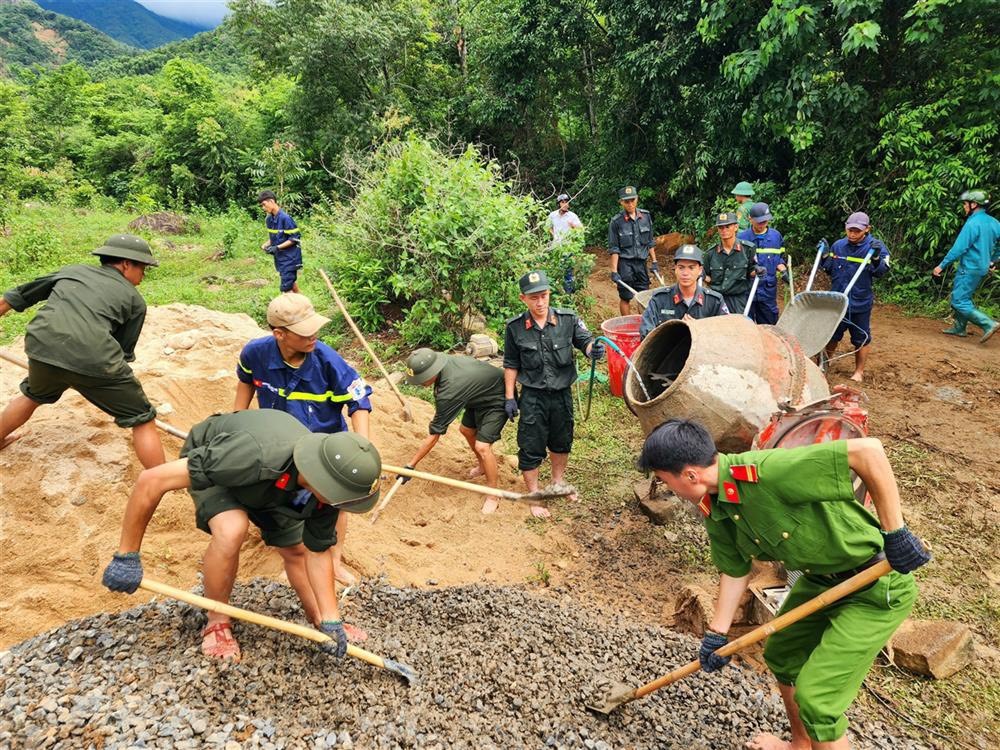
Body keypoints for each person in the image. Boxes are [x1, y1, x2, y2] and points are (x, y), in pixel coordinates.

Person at [638, 419, 929, 750]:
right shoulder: (716, 506)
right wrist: (716, 634)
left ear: (690, 475)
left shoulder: (766, 471)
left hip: (874, 585)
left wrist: (896, 532)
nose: (669, 489)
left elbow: (868, 451)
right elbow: (735, 570)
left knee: (818, 700)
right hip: (822, 580)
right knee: (783, 653)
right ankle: (800, 745)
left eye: (665, 481)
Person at [102, 409, 382, 662]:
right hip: (224, 470)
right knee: (232, 528)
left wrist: (330, 621)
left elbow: (316, 553)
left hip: (276, 486)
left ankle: (318, 620)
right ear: (325, 483)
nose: (343, 507)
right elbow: (152, 480)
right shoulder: (250, 454)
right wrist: (127, 554)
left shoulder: (328, 496)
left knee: (296, 549)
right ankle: (217, 620)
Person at [234, 292, 373, 589]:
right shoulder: (255, 354)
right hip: (278, 444)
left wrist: (363, 446)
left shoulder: (327, 361)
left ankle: (333, 561)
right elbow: (245, 382)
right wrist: (238, 419)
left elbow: (359, 401)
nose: (314, 336)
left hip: (324, 446)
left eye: (315, 328)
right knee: (285, 497)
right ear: (279, 334)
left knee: (333, 502)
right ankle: (295, 556)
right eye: (305, 332)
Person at [0, 234, 164, 467]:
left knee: (32, 395)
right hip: (94, 358)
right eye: (143, 269)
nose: (143, 276)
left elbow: (12, 298)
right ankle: (161, 478)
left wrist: (69, 373)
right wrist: (91, 381)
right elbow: (121, 355)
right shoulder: (135, 301)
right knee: (143, 420)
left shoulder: (72, 271)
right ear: (127, 264)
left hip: (41, 345)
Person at [503, 270, 603, 517]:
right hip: (533, 397)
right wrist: (509, 397)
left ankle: (558, 483)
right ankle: (535, 496)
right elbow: (511, 363)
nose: (540, 302)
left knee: (561, 439)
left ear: (549, 295)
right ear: (523, 298)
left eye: (544, 296)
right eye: (534, 298)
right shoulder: (515, 328)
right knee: (530, 445)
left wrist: (593, 349)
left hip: (561, 395)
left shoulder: (567, 319)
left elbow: (585, 341)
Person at [402, 348, 507, 513]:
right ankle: (482, 466)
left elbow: (435, 435)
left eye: (421, 379)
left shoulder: (449, 390)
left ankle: (493, 494)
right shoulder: (442, 360)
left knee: (483, 446)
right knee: (466, 430)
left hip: (498, 399)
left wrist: (410, 465)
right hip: (478, 396)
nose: (420, 383)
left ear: (431, 372)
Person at [821, 212, 890, 382]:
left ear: (867, 229)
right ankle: (823, 366)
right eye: (849, 230)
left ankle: (859, 371)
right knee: (831, 335)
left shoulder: (876, 247)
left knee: (861, 338)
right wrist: (824, 256)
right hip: (837, 301)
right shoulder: (838, 246)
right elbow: (830, 269)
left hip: (860, 301)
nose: (852, 234)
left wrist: (875, 258)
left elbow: (882, 271)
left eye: (857, 231)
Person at [933, 190, 1000, 344]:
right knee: (964, 296)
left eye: (965, 203)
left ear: (974, 204)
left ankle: (987, 323)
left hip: (969, 267)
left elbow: (959, 248)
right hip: (981, 267)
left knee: (958, 301)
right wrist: (993, 260)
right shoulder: (995, 223)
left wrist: (941, 265)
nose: (963, 207)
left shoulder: (972, 223)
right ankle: (959, 327)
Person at [640, 245, 728, 339]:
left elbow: (726, 334)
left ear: (700, 270)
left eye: (691, 268)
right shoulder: (659, 299)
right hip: (669, 352)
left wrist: (698, 330)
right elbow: (646, 335)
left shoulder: (714, 301)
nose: (685, 273)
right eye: (681, 267)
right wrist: (677, 331)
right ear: (675, 269)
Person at [609, 185, 659, 316]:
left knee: (643, 297)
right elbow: (614, 248)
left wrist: (654, 262)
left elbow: (650, 241)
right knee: (626, 297)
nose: (630, 204)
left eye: (632, 200)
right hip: (625, 264)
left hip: (641, 264)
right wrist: (614, 271)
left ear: (637, 199)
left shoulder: (646, 217)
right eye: (626, 201)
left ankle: (644, 326)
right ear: (621, 202)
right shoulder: (616, 222)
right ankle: (627, 325)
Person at [704, 211, 762, 315]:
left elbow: (751, 271)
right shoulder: (710, 253)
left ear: (735, 227)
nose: (724, 230)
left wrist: (757, 270)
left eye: (727, 226)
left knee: (739, 329)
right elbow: (707, 277)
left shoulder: (748, 249)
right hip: (716, 299)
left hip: (738, 299)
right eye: (720, 227)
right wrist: (702, 276)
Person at [738, 202, 786, 324]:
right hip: (746, 291)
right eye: (759, 221)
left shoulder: (776, 236)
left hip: (768, 292)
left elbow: (779, 258)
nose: (763, 224)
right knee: (745, 326)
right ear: (750, 219)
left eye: (765, 221)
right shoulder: (741, 238)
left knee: (769, 327)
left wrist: (783, 270)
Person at [258, 190, 302, 294]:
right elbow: (273, 238)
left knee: (285, 288)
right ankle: (306, 307)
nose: (263, 208)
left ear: (272, 201)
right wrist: (265, 245)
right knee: (291, 283)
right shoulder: (269, 220)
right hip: (280, 259)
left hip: (290, 259)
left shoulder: (285, 218)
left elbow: (294, 239)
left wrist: (277, 247)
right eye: (261, 206)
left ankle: (289, 309)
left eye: (264, 205)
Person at [549, 193, 584, 293]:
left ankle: (569, 293)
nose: (565, 204)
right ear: (559, 204)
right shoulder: (553, 215)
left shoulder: (572, 216)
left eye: (567, 202)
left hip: (568, 247)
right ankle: (558, 291)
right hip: (556, 247)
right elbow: (548, 227)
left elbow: (581, 229)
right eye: (562, 202)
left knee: (568, 270)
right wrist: (554, 235)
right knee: (557, 268)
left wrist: (573, 225)